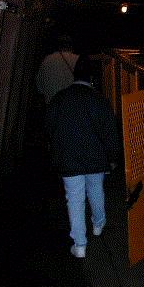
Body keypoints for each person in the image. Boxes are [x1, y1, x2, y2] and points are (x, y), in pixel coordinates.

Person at [45, 55, 121, 258]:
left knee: (74, 198)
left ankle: (80, 245)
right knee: (96, 189)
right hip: (96, 158)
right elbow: (110, 132)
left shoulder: (60, 99)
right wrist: (113, 157)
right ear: (92, 79)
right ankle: (98, 223)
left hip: (68, 157)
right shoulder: (99, 101)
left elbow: (50, 126)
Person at [36, 34, 79, 104]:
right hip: (72, 106)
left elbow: (40, 87)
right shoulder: (77, 60)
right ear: (71, 46)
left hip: (52, 106)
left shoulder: (47, 60)